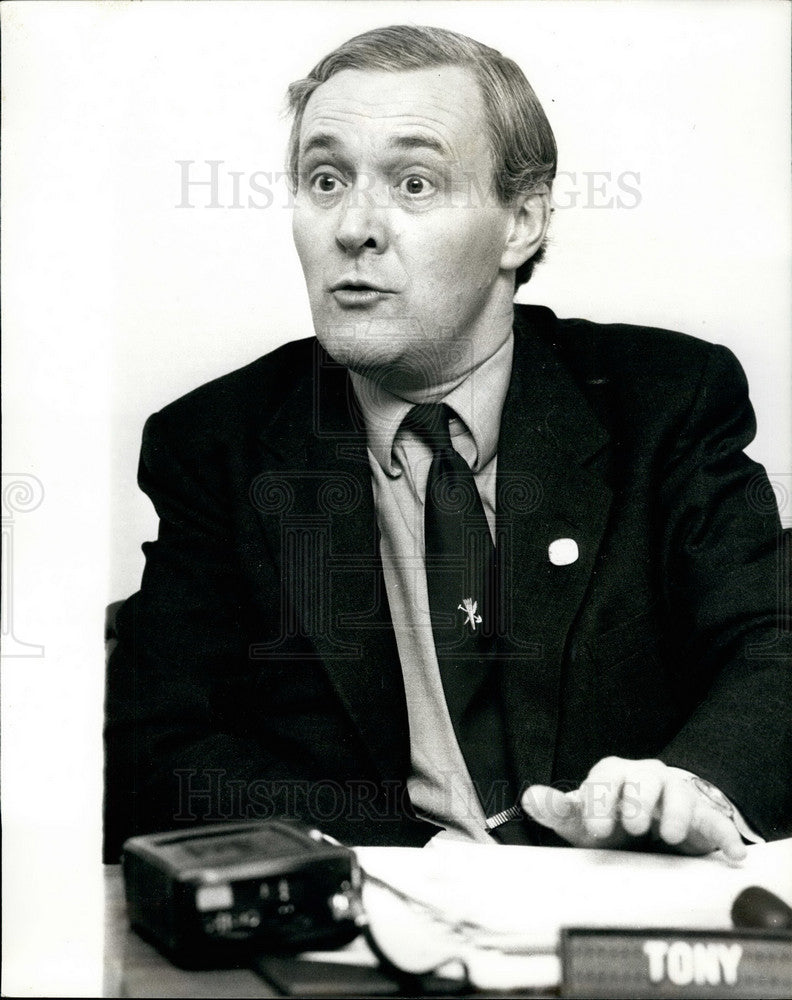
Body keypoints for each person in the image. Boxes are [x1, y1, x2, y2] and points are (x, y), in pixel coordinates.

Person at [104, 24, 791, 863]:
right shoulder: (220, 446)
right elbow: (155, 748)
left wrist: (693, 791)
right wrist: (430, 868)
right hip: (381, 911)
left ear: (521, 223)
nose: (354, 227)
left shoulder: (664, 403)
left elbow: (773, 642)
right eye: (326, 180)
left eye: (415, 183)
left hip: (619, 896)